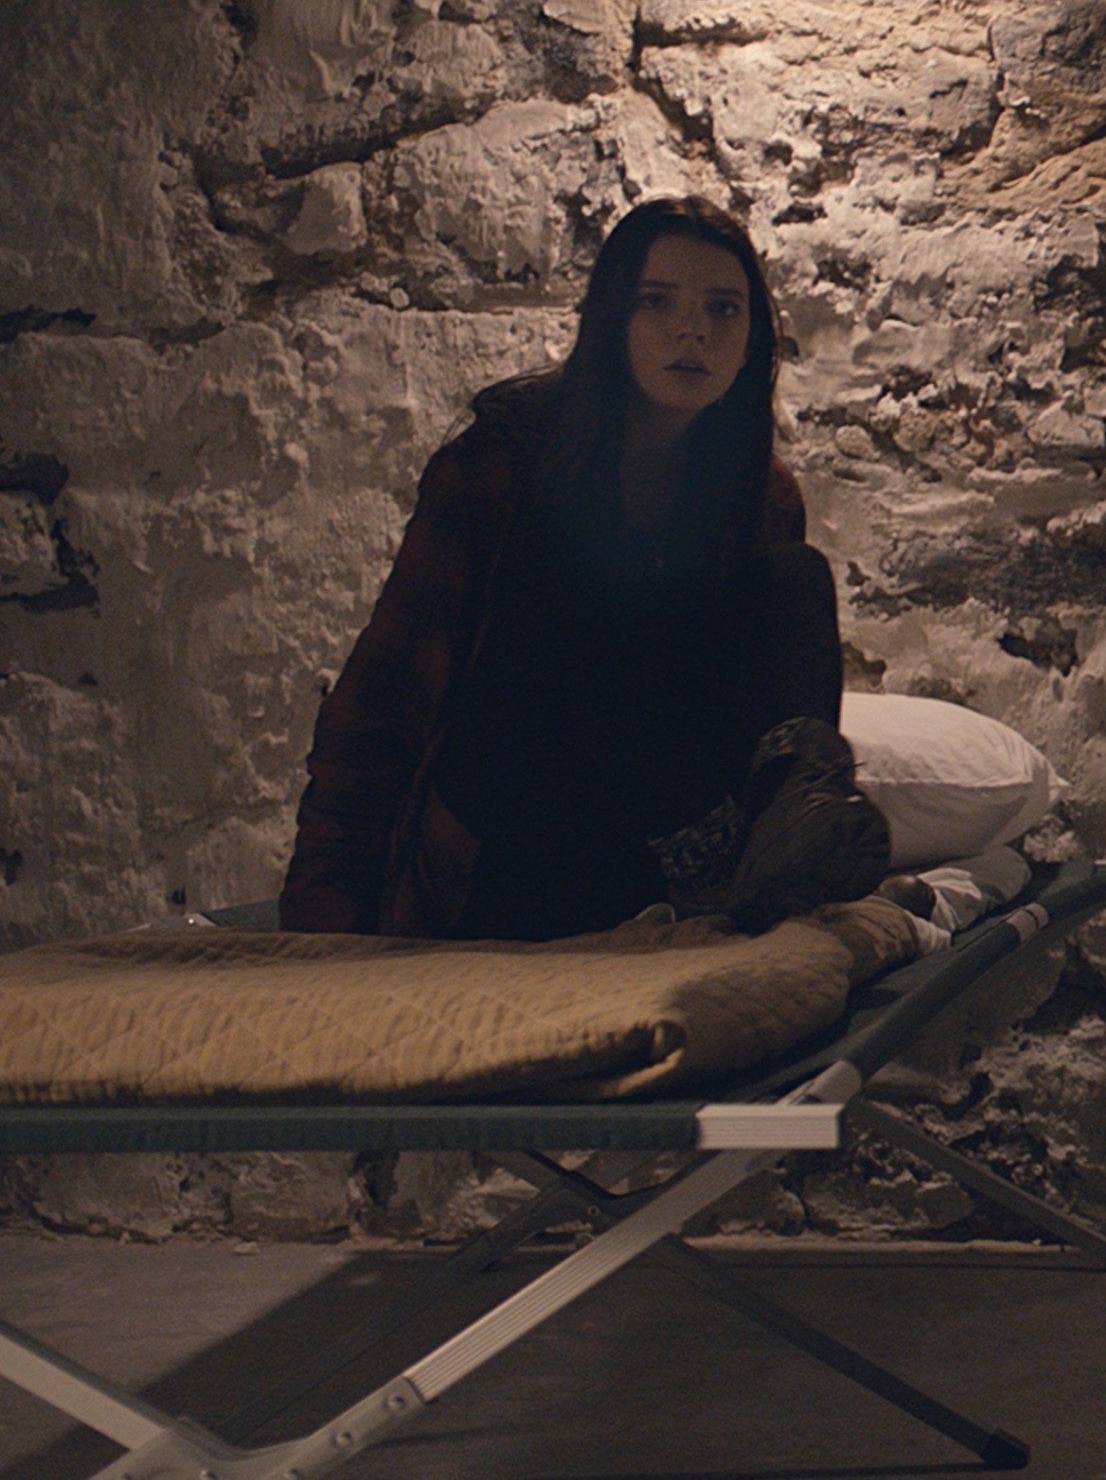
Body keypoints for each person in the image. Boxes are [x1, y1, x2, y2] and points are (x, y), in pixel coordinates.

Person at [281, 198, 888, 940]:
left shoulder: (760, 496)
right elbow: (381, 705)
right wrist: (323, 925)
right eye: (657, 301)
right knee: (589, 578)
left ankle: (793, 812)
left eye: (723, 309)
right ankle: (718, 869)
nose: (693, 331)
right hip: (515, 833)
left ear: (752, 342)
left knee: (795, 579)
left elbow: (738, 700)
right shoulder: (500, 468)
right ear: (612, 321)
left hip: (658, 841)